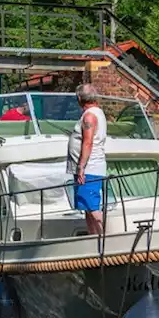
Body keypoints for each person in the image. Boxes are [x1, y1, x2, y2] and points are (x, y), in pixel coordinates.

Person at [67, 83, 107, 236]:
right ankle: (93, 238)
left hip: (89, 169)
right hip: (89, 168)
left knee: (92, 207)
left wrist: (81, 167)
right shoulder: (95, 113)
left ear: (79, 98)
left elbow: (88, 142)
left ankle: (106, 238)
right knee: (86, 207)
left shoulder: (90, 116)